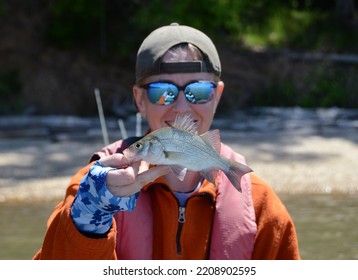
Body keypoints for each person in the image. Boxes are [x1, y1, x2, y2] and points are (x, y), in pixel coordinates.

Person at [34, 23, 300, 260]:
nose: (182, 107)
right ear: (139, 99)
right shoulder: (94, 183)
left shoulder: (260, 205)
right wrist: (87, 218)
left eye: (198, 91)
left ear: (217, 96)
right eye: (163, 93)